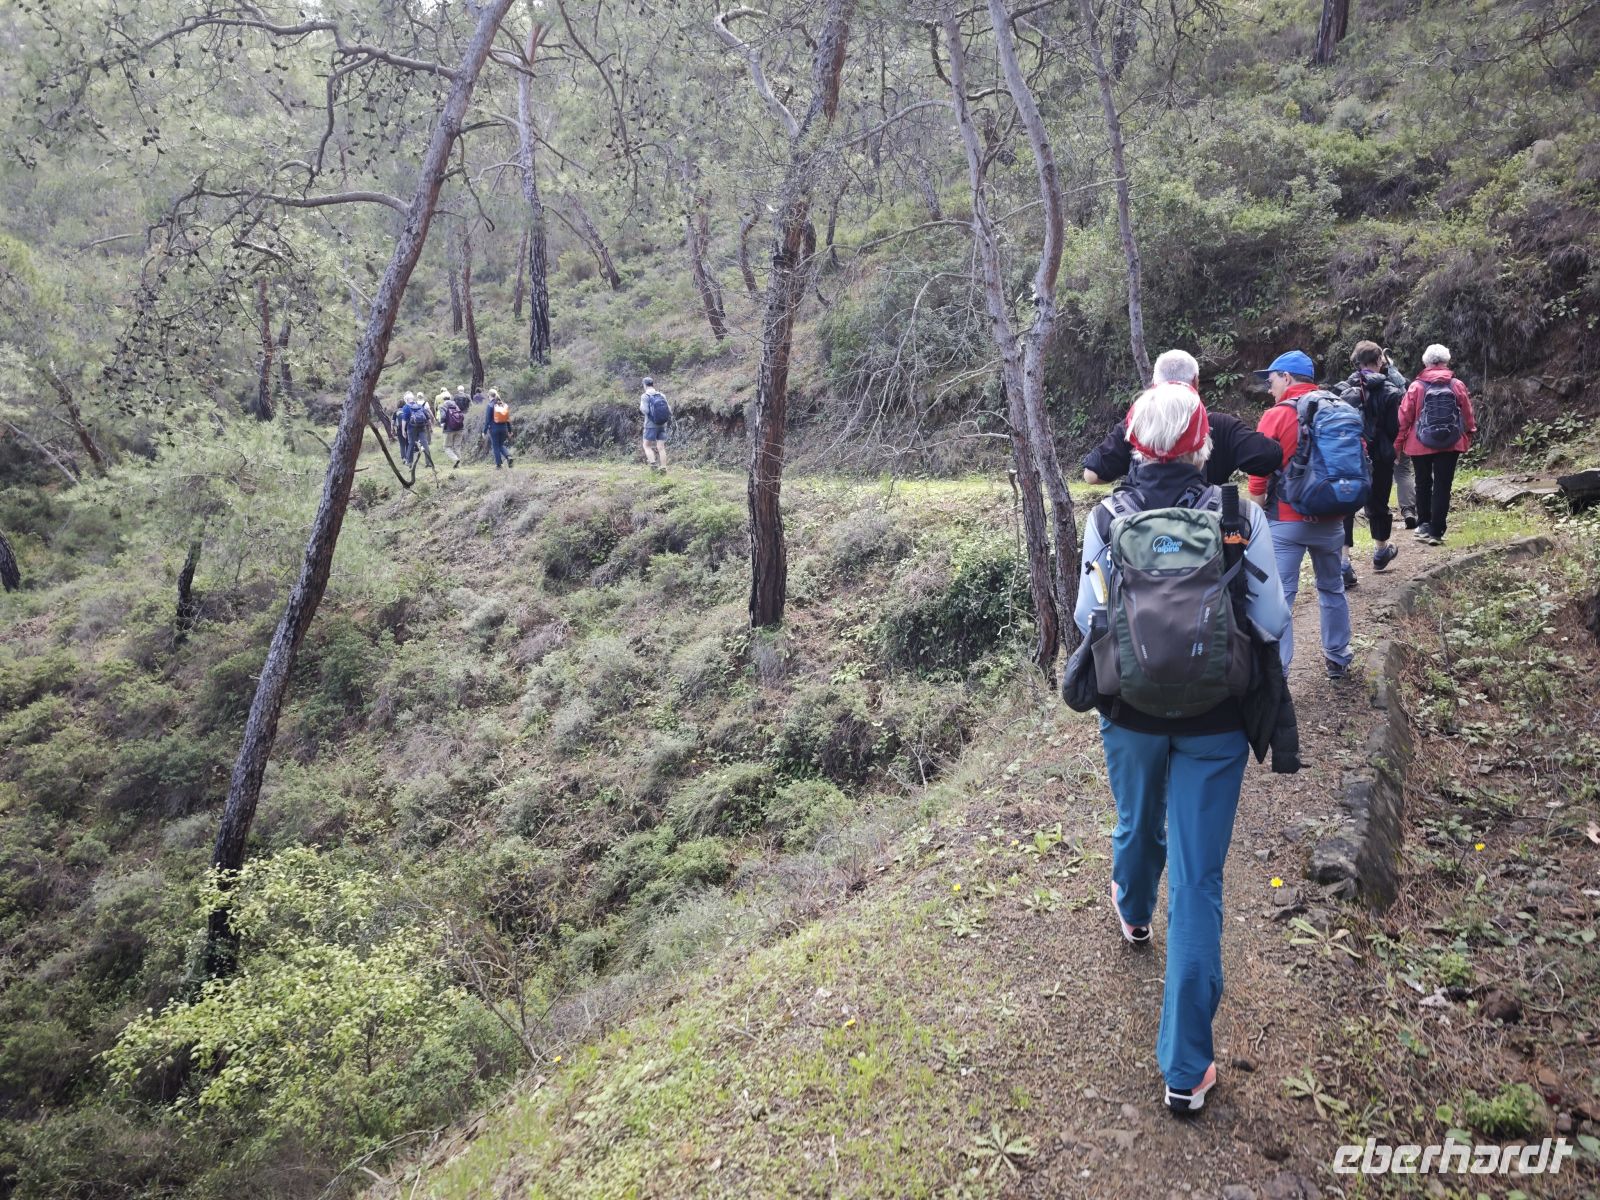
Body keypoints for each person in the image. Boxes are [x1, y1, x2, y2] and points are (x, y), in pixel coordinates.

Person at [1074, 381, 1290, 1117]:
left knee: (1137, 821)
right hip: (1216, 722)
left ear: (1133, 444)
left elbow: (1085, 615)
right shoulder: (1238, 515)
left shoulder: (1106, 517)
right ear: (1204, 444)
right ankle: (1185, 1069)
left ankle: (1132, 911)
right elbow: (1271, 617)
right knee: (1199, 882)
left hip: (1130, 712)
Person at [1247, 350, 1356, 680]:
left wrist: (1254, 516)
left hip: (1286, 522)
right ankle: (1338, 657)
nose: (1269, 388)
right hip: (1333, 518)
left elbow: (1258, 476)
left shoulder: (1276, 415)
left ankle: (1278, 672)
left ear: (1287, 378)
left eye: (1272, 380)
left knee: (1280, 597)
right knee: (1332, 588)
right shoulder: (1339, 408)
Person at [1082, 350, 1282, 487]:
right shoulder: (1221, 425)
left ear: (1154, 383)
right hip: (1203, 533)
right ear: (1195, 381)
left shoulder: (1135, 424)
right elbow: (1269, 456)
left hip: (1142, 536)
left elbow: (1091, 475)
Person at [1396, 344, 1476, 545]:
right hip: (1450, 443)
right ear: (1446, 362)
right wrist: (1469, 433)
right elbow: (1467, 414)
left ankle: (1423, 525)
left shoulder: (1416, 386)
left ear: (1426, 362)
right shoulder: (1456, 385)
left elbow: (1403, 418)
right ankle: (1436, 531)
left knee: (1422, 482)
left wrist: (1397, 444)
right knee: (1443, 485)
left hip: (1419, 442)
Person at [1338, 341, 1407, 572]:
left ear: (1356, 362)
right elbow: (1393, 428)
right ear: (1379, 361)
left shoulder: (1344, 390)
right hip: (1379, 456)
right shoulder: (1390, 391)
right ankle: (1380, 552)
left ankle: (1344, 563)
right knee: (1378, 503)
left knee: (1346, 507)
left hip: (1349, 456)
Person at [639, 376, 672, 472]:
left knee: (647, 445)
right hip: (662, 424)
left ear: (644, 385)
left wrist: (641, 406)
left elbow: (645, 410)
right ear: (653, 384)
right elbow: (669, 410)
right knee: (661, 447)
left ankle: (653, 465)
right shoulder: (661, 395)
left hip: (650, 425)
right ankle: (664, 468)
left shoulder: (645, 396)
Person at [402, 390, 434, 470]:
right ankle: (429, 462)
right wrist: (430, 427)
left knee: (411, 444)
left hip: (411, 428)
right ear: (413, 398)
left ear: (406, 399)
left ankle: (409, 462)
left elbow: (404, 420)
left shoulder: (406, 407)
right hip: (422, 427)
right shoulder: (419, 406)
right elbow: (427, 417)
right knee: (425, 444)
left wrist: (403, 430)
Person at [483, 387, 514, 469]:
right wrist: (510, 430)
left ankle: (499, 465)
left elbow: (487, 420)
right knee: (500, 445)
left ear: (489, 396)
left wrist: (484, 431)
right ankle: (508, 457)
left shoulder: (490, 405)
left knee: (496, 446)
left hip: (494, 429)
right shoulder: (503, 404)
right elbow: (507, 419)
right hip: (504, 429)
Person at [437, 388, 466, 469]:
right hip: (460, 428)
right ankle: (459, 466)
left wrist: (442, 424)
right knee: (457, 446)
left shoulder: (442, 406)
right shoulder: (456, 405)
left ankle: (456, 459)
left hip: (449, 430)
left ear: (443, 399)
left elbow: (442, 417)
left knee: (447, 447)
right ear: (450, 398)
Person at [392, 393, 413, 466]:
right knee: (407, 443)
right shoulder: (406, 410)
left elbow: (393, 422)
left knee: (402, 444)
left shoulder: (396, 412)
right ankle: (407, 458)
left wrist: (392, 430)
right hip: (407, 428)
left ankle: (403, 458)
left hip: (399, 429)